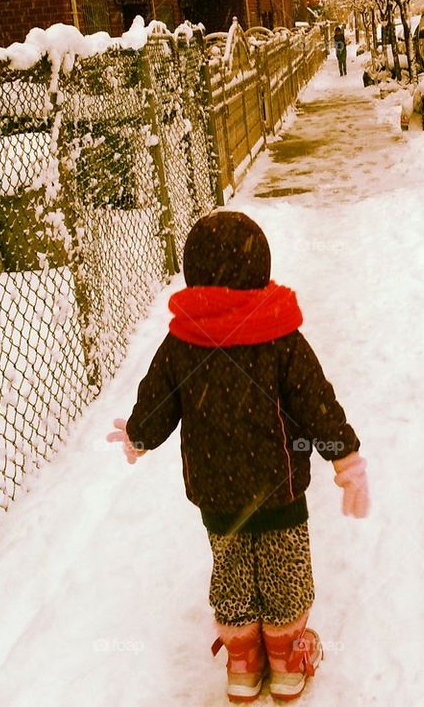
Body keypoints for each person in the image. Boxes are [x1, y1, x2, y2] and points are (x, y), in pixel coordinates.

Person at [107, 211, 369, 704]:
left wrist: (139, 435)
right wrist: (345, 459)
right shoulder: (279, 333)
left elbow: (159, 398)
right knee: (283, 567)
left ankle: (244, 662)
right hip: (279, 488)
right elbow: (316, 403)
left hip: (217, 491)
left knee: (230, 570)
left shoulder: (183, 339)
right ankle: (288, 657)